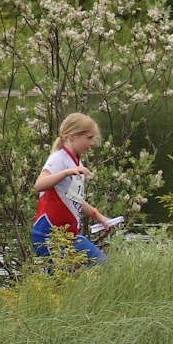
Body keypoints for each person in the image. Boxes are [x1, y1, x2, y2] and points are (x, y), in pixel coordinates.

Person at [32, 113, 114, 264]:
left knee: (104, 265)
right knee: (60, 281)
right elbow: (39, 185)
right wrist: (66, 172)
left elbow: (75, 199)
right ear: (72, 137)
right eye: (89, 138)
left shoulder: (76, 163)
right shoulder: (58, 158)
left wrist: (99, 217)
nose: (93, 143)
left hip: (68, 235)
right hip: (49, 235)